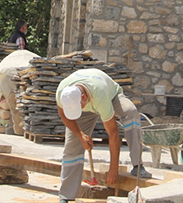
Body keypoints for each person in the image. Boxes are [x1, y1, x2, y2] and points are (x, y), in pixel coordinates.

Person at [56, 68, 151, 202]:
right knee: (72, 147)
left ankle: (137, 166)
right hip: (89, 102)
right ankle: (66, 196)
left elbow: (113, 134)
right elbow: (63, 115)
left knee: (130, 112)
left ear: (83, 97)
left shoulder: (100, 96)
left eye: (78, 107)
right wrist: (80, 135)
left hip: (110, 96)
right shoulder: (63, 92)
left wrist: (114, 169)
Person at [0, 49, 39, 136]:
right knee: (11, 110)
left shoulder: (8, 71)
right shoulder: (7, 73)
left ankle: (14, 128)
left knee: (13, 110)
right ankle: (14, 128)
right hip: (16, 96)